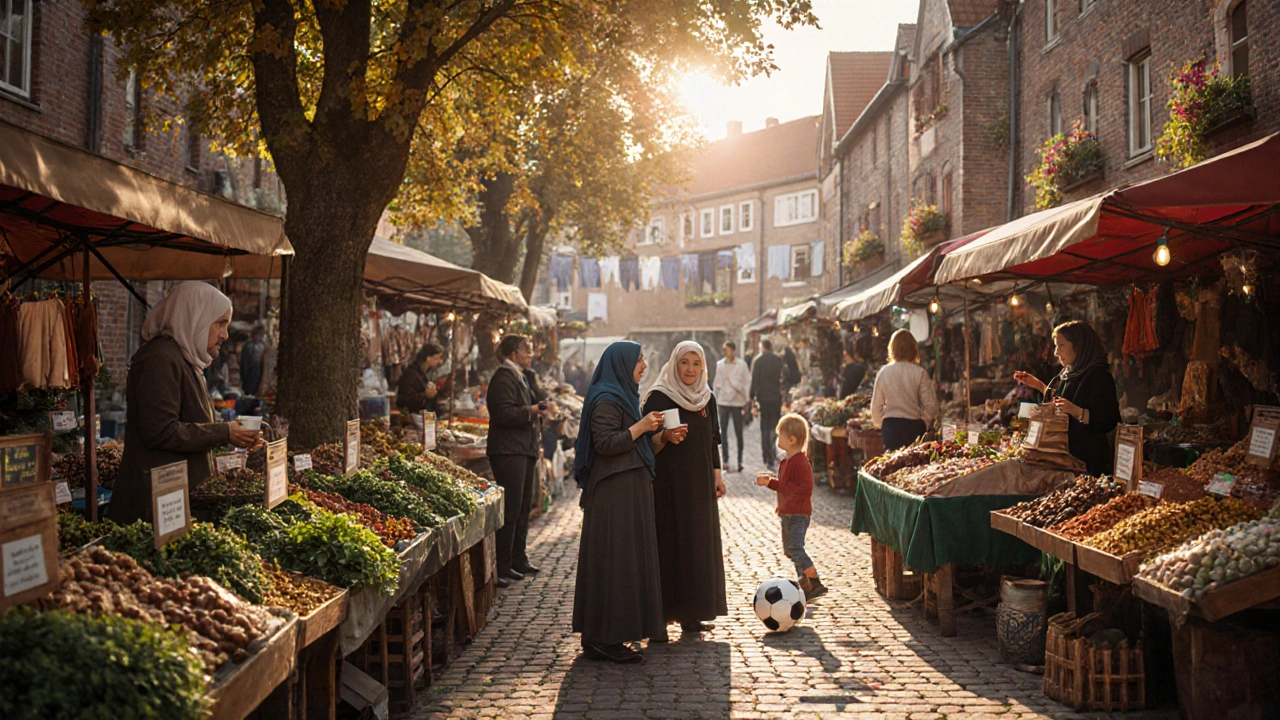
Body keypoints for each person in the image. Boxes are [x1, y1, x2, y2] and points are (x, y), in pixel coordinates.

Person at [114, 282, 261, 523]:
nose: (225, 334)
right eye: (220, 324)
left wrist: (235, 435)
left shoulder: (186, 361)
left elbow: (191, 424)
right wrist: (224, 432)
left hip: (175, 501)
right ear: (196, 318)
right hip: (154, 509)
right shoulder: (159, 359)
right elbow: (160, 431)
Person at [572, 341, 666, 663]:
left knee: (624, 563)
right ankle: (603, 639)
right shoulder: (606, 400)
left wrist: (661, 437)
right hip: (613, 496)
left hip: (628, 492)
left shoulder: (625, 396)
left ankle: (611, 634)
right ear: (622, 364)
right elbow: (606, 443)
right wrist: (641, 426)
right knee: (614, 563)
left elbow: (635, 448)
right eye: (639, 361)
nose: (644, 366)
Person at [642, 341, 728, 639]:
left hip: (700, 484)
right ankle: (662, 616)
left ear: (703, 367)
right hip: (667, 485)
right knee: (669, 545)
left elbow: (714, 440)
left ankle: (693, 614)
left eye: (695, 363)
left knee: (697, 546)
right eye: (684, 362)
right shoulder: (659, 396)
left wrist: (717, 475)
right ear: (674, 364)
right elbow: (645, 439)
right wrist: (664, 436)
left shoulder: (707, 398)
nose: (690, 369)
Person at [1014, 320, 1121, 475]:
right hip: (1068, 462)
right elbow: (1060, 402)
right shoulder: (1069, 374)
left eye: (1061, 345)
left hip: (1089, 464)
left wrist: (1077, 411)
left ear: (1079, 345)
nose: (1056, 353)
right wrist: (1038, 385)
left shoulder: (1099, 376)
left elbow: (1108, 419)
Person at [485, 335, 549, 588]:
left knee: (523, 506)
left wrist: (532, 377)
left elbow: (539, 398)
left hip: (524, 448)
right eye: (527, 351)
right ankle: (502, 564)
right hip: (509, 450)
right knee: (511, 509)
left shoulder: (521, 375)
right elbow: (501, 413)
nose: (531, 354)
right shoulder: (502, 378)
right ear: (513, 353)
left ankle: (518, 558)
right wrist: (530, 412)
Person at [756, 413, 827, 600]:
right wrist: (772, 481)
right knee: (789, 549)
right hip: (788, 512)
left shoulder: (800, 463)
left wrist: (772, 483)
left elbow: (801, 488)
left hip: (798, 513)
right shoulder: (787, 461)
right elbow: (785, 485)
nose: (777, 439)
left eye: (780, 436)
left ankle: (814, 578)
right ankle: (805, 583)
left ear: (792, 439)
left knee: (795, 547)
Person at [870, 330, 939, 452]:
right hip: (914, 427)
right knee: (914, 465)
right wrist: (925, 423)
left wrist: (881, 424)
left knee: (891, 465)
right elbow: (931, 406)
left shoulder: (883, 372)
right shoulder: (920, 372)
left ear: (892, 348)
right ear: (913, 349)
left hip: (890, 428)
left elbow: (875, 407)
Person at [714, 341, 751, 472]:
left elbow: (747, 382)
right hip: (723, 402)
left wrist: (747, 401)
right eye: (724, 350)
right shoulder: (720, 365)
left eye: (727, 349)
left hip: (737, 403)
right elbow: (717, 383)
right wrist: (716, 401)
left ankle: (739, 461)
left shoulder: (742, 365)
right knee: (723, 432)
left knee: (738, 433)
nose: (725, 352)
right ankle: (725, 460)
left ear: (733, 351)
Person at [749, 339, 785, 470]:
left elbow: (755, 380)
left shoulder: (758, 361)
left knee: (764, 426)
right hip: (776, 397)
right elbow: (786, 375)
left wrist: (752, 396)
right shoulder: (778, 359)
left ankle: (767, 457)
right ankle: (774, 452)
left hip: (763, 398)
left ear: (762, 347)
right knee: (775, 426)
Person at [397, 343, 445, 415]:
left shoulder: (423, 373)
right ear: (428, 358)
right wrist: (426, 395)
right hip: (412, 419)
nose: (440, 361)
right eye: (437, 358)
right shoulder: (410, 374)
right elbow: (403, 400)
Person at [239, 325, 267, 396]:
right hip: (256, 376)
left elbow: (243, 364)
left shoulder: (248, 345)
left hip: (250, 376)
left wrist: (243, 377)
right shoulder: (263, 346)